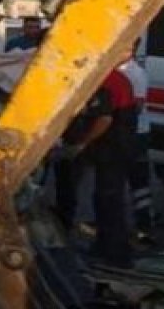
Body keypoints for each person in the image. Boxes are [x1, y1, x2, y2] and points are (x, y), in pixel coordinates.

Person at [54, 56, 138, 268]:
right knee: (106, 197)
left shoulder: (102, 81)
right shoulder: (114, 78)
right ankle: (106, 245)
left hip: (113, 144)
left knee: (108, 197)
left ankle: (115, 253)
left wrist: (81, 144)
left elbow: (104, 119)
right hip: (115, 141)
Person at [118, 38, 154, 239]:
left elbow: (137, 106)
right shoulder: (116, 70)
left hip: (136, 133)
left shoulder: (135, 74)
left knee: (138, 180)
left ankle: (144, 224)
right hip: (122, 132)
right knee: (116, 179)